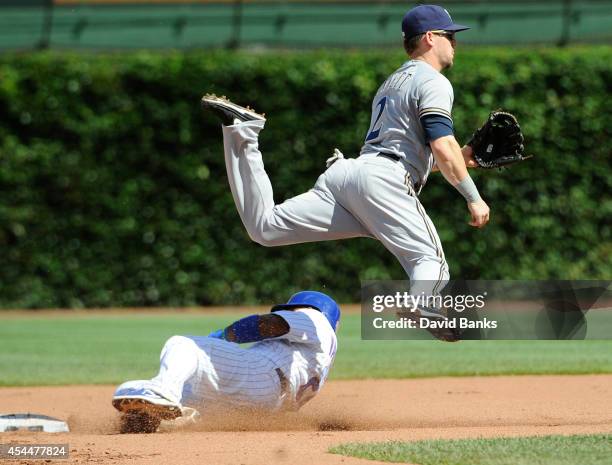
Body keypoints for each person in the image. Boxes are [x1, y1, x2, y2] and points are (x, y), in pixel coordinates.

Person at [201, 5, 488, 342]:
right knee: (429, 260)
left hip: (349, 176)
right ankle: (420, 304)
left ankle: (243, 133)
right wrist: (474, 197)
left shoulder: (393, 81)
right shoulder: (434, 81)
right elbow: (440, 145)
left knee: (265, 227)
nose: (455, 43)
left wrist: (462, 157)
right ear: (429, 38)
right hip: (382, 179)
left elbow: (415, 150)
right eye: (449, 35)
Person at [112, 291, 340, 433]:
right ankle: (164, 417)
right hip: (262, 406)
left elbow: (271, 324)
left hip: (262, 375)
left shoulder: (316, 319)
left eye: (293, 309)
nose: (293, 312)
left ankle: (164, 392)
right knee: (158, 392)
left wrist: (227, 335)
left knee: (183, 344)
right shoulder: (319, 359)